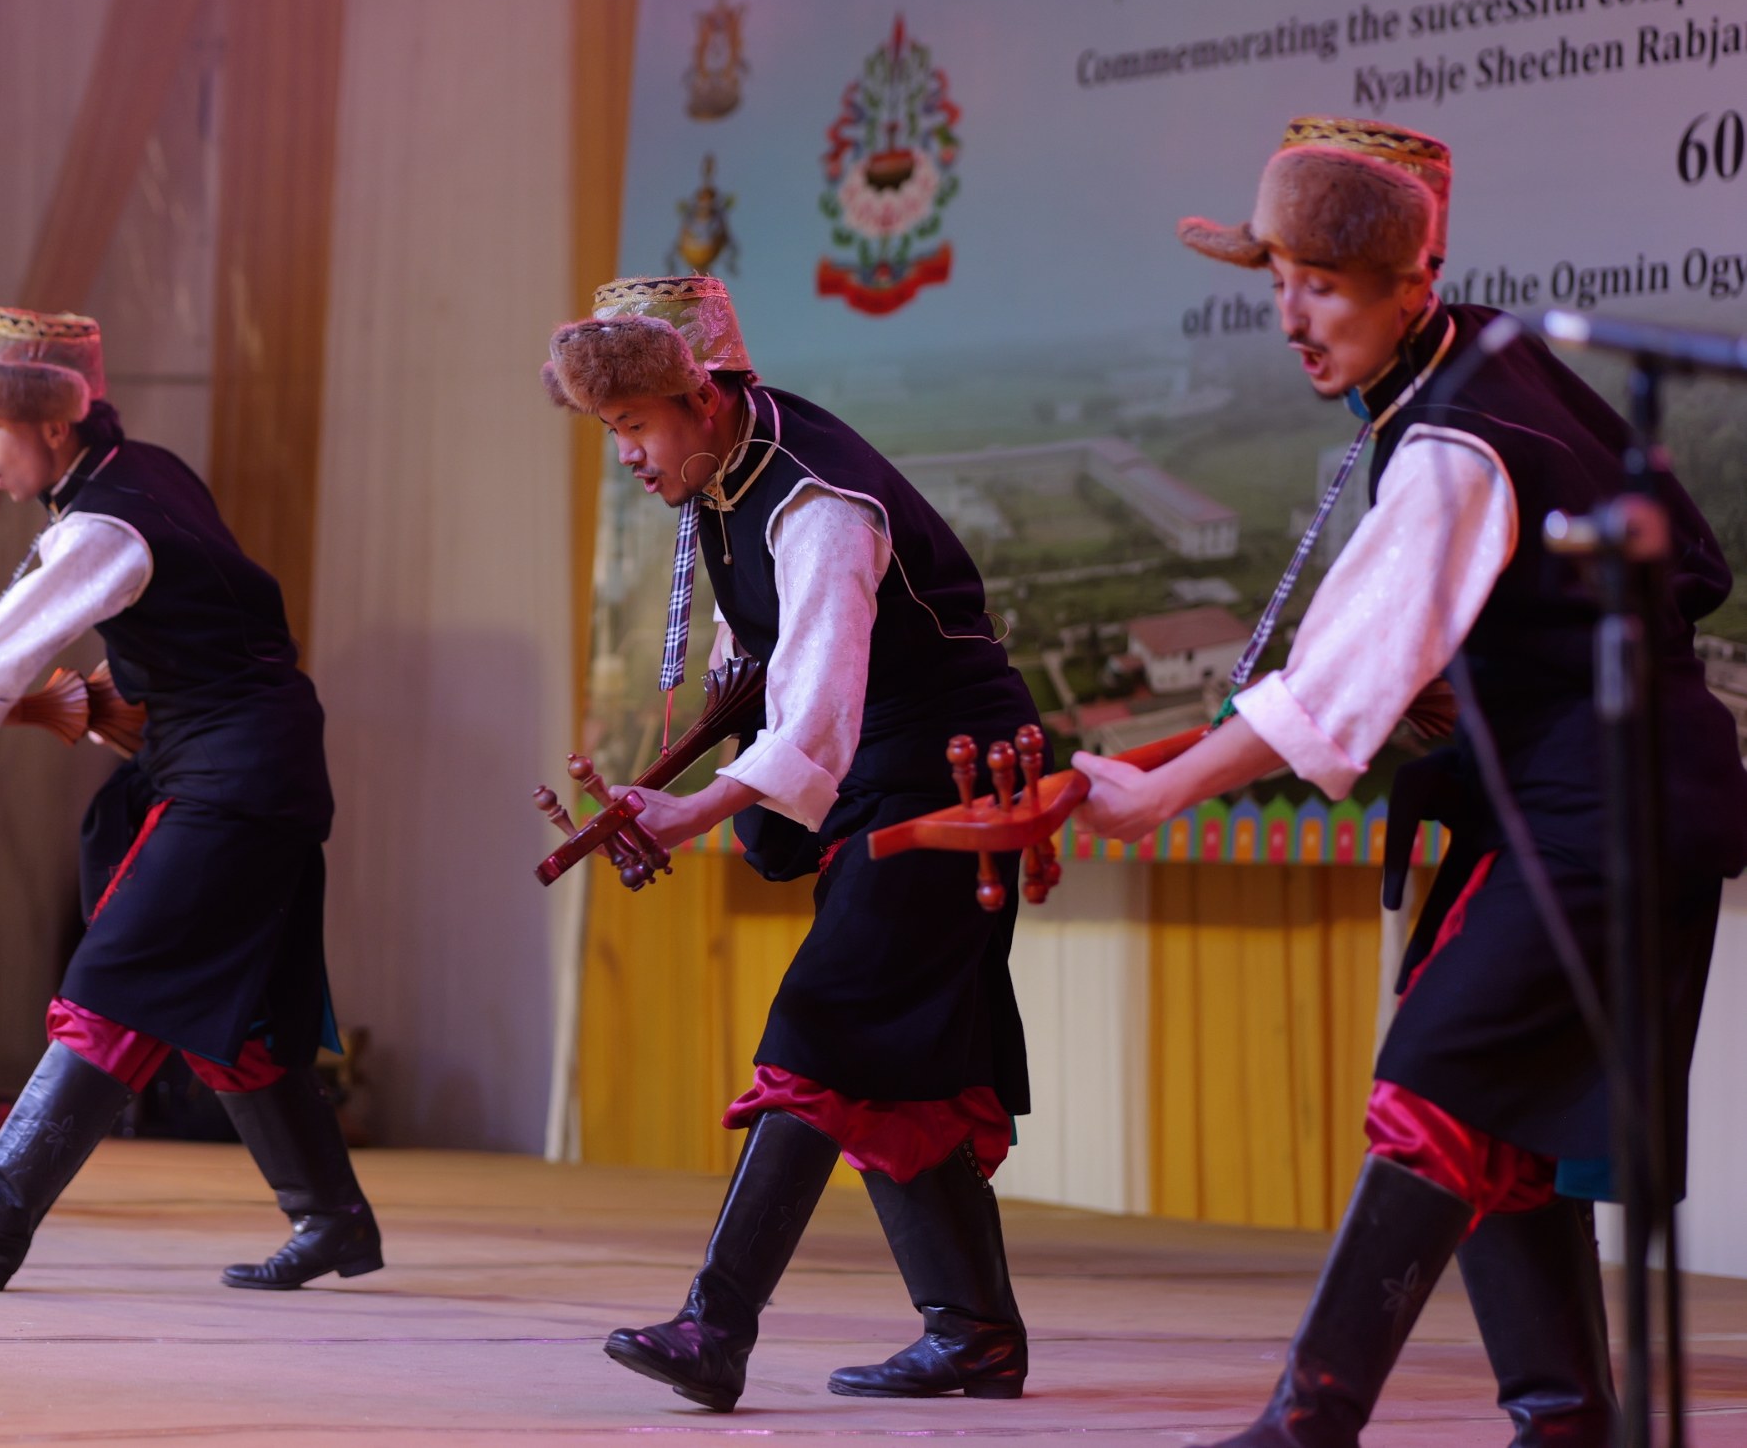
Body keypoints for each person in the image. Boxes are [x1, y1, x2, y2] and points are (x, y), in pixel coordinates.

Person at [1075, 117, 1747, 1448]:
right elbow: (1675, 567)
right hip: (1592, 797)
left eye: (1322, 285)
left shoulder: (1457, 434)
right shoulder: (1487, 352)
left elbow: (1336, 685)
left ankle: (1309, 1423)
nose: (1290, 317)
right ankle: (1563, 1418)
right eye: (1280, 281)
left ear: (1411, 281)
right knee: (1494, 1109)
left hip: (1602, 809)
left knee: (1437, 1083)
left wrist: (1157, 794)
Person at [0, 308, 377, 1293]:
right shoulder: (143, 473)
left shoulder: (104, 522)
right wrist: (117, 702)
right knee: (237, 1017)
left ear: (54, 425)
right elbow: (197, 627)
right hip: (238, 765)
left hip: (234, 778)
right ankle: (332, 1219)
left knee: (117, 977)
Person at [542, 276, 1042, 1412]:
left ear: (705, 396)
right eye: (611, 429)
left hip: (949, 777)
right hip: (893, 771)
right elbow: (761, 670)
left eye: (633, 424)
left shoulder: (817, 501)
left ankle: (714, 1325)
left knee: (824, 1025)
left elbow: (814, 710)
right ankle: (973, 1333)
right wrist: (706, 795)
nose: (625, 455)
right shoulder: (729, 471)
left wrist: (696, 808)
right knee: (900, 1063)